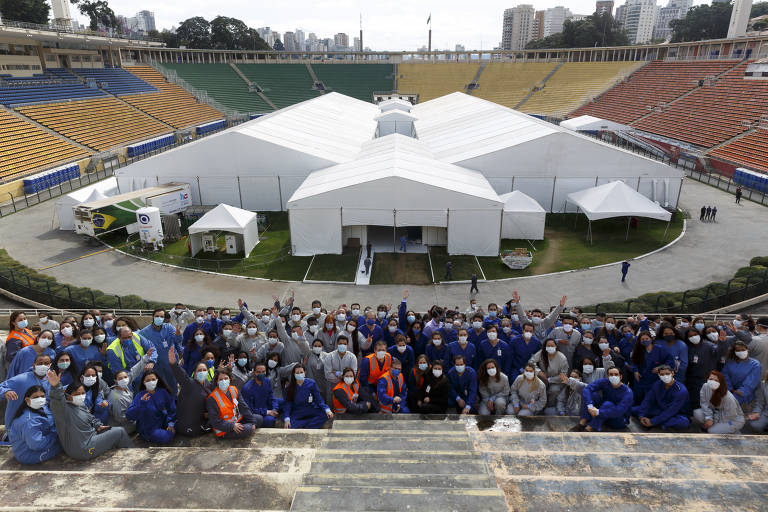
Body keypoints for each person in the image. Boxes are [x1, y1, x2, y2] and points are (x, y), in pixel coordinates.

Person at [47, 370, 133, 460]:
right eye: (77, 394)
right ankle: (133, 456)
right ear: (68, 396)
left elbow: (90, 417)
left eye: (82, 393)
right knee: (120, 431)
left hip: (92, 437)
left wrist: (98, 426)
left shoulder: (80, 404)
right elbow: (57, 399)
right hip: (82, 449)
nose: (81, 396)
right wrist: (55, 386)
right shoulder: (62, 410)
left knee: (111, 430)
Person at [8, 385, 62, 464]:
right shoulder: (29, 421)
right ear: (27, 400)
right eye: (35, 397)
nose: (40, 399)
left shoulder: (42, 407)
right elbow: (36, 444)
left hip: (40, 441)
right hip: (30, 454)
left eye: (42, 396)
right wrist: (56, 434)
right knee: (65, 445)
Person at [107, 349, 155, 433]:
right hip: (124, 426)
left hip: (131, 416)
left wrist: (146, 357)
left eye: (125, 377)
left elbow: (134, 371)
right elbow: (120, 419)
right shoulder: (116, 398)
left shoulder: (123, 385)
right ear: (115, 381)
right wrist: (138, 413)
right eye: (120, 378)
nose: (124, 379)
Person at [207, 368, 262, 439]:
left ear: (230, 379)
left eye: (226, 378)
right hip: (224, 429)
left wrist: (252, 422)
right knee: (248, 429)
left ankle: (248, 426)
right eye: (220, 379)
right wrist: (232, 426)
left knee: (259, 418)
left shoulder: (234, 389)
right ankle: (246, 428)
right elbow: (215, 422)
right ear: (217, 381)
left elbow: (243, 407)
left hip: (237, 420)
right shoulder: (212, 398)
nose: (223, 381)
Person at [0, 352, 53, 426]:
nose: (43, 366)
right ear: (34, 365)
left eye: (46, 363)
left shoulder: (51, 380)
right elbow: (1, 387)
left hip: (40, 423)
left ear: (50, 365)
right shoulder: (22, 379)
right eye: (40, 363)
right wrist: (6, 392)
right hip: (18, 425)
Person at [169, 347, 212, 436]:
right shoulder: (189, 383)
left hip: (200, 419)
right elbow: (182, 375)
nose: (202, 372)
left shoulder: (207, 383)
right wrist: (173, 363)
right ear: (195, 373)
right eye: (199, 370)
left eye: (204, 370)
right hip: (189, 426)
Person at [632, 365, 690, 430]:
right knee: (635, 409)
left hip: (676, 414)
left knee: (683, 422)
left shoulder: (681, 390)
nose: (665, 376)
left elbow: (671, 411)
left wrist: (652, 422)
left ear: (673, 373)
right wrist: (641, 416)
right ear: (659, 375)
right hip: (659, 410)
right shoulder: (657, 384)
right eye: (662, 374)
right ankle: (656, 421)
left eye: (667, 374)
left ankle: (657, 422)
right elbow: (648, 400)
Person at [576, 367, 634, 432]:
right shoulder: (605, 382)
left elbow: (619, 411)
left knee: (608, 404)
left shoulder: (628, 392)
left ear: (620, 377)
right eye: (611, 374)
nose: (613, 376)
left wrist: (598, 412)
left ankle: (590, 428)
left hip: (619, 420)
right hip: (604, 414)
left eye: (616, 374)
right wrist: (590, 406)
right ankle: (582, 424)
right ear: (608, 376)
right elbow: (587, 389)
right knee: (593, 395)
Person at [126, 370, 176, 444]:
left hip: (160, 420)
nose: (151, 382)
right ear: (144, 382)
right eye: (148, 380)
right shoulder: (140, 396)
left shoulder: (162, 392)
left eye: (153, 379)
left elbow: (171, 408)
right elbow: (129, 415)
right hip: (148, 428)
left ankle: (168, 430)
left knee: (179, 423)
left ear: (157, 380)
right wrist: (141, 403)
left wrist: (171, 423)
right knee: (163, 437)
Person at [139, 308, 183, 393]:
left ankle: (174, 402)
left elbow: (177, 341)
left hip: (170, 363)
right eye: (157, 316)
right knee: (159, 387)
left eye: (161, 316)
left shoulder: (169, 328)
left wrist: (178, 335)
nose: (159, 318)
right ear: (153, 317)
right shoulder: (144, 332)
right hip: (156, 365)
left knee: (172, 385)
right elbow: (143, 349)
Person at [630, 330, 674, 405]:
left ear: (651, 339)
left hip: (655, 379)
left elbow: (670, 360)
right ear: (639, 341)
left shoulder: (659, 349)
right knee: (639, 398)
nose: (645, 341)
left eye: (646, 339)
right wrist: (635, 371)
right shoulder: (638, 350)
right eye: (642, 339)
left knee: (654, 398)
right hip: (641, 378)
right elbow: (633, 362)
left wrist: (661, 368)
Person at [529, 338, 569, 415]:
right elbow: (531, 362)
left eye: (552, 345)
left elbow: (564, 374)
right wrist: (539, 372)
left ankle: (548, 406)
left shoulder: (562, 358)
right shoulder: (541, 353)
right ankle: (537, 406)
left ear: (556, 346)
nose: (550, 347)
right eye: (548, 345)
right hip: (542, 378)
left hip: (556, 381)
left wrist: (550, 380)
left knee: (554, 390)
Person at [721, 341, 762, 407]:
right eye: (738, 350)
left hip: (745, 395)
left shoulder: (755, 364)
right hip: (729, 392)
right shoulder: (729, 362)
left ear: (747, 350)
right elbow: (725, 376)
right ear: (734, 352)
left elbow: (751, 381)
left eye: (743, 350)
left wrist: (741, 391)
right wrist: (730, 389)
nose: (741, 352)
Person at [242, 362, 280, 427]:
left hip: (267, 408)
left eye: (263, 372)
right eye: (258, 372)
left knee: (283, 401)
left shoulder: (267, 381)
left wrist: (274, 409)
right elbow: (249, 409)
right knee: (269, 420)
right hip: (257, 413)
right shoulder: (247, 388)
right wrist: (267, 412)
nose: (261, 374)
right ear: (254, 372)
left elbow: (271, 397)